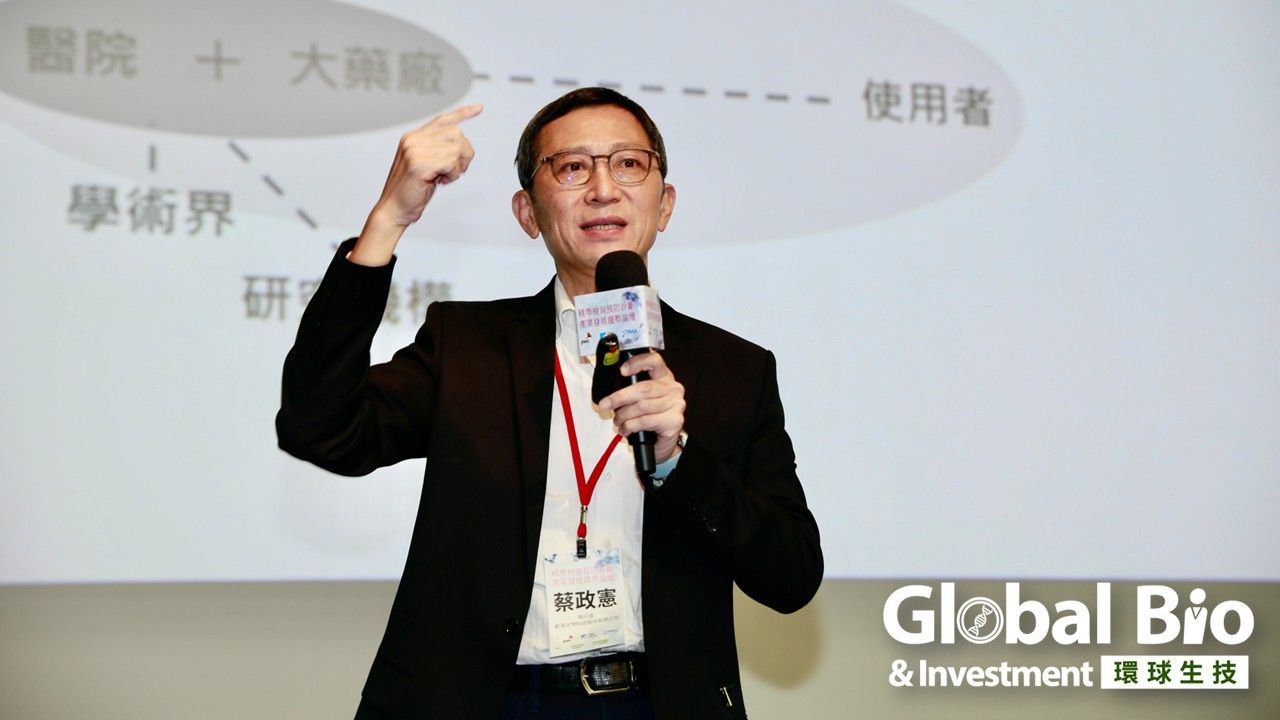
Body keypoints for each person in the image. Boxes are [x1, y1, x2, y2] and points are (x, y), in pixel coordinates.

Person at [277, 88, 822, 720]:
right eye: (571, 168)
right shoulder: (467, 347)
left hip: (656, 704)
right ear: (527, 212)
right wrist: (387, 222)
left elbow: (790, 575)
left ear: (665, 203)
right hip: (486, 703)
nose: (602, 189)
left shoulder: (733, 370)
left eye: (629, 164)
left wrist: (679, 459)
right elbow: (320, 428)